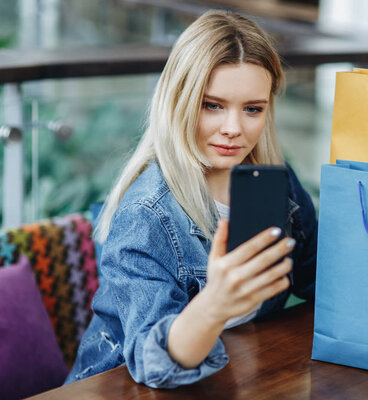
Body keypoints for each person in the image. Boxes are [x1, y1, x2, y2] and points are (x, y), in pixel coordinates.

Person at [64, 10, 317, 388]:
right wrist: (215, 302)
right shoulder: (146, 214)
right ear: (179, 100)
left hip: (232, 374)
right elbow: (152, 364)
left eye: (252, 109)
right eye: (212, 105)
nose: (233, 129)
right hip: (117, 387)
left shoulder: (275, 184)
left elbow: (319, 281)